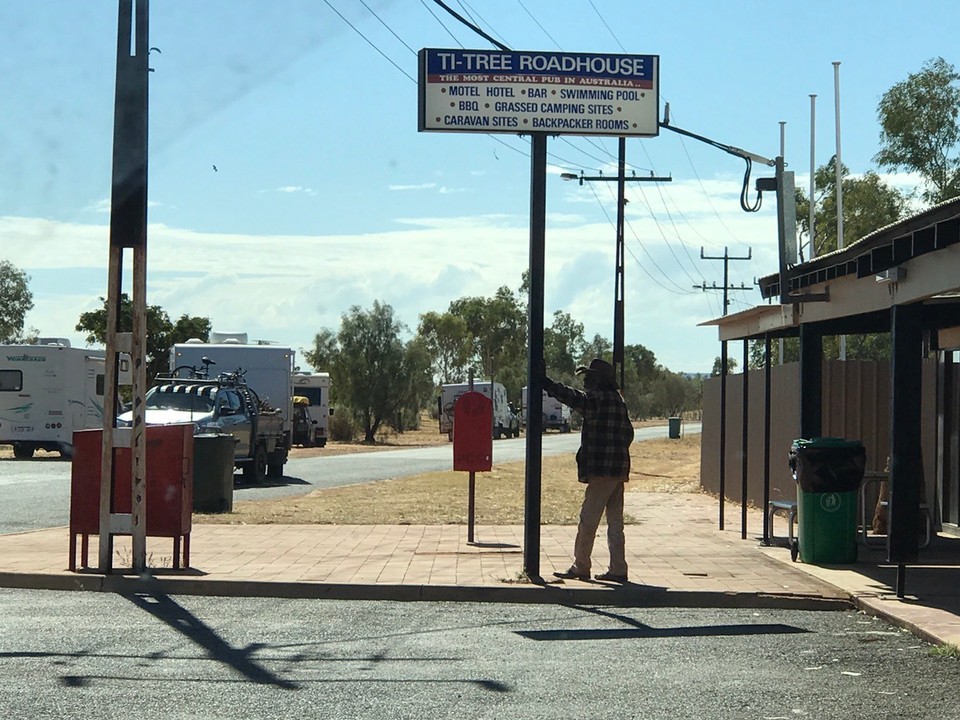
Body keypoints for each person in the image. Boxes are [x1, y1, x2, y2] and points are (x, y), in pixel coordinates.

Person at [542, 358, 634, 583]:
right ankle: (618, 568)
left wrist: (546, 383)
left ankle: (581, 565)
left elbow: (572, 397)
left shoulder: (597, 400)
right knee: (615, 522)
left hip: (602, 470)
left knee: (588, 520)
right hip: (618, 470)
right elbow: (628, 434)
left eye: (589, 377)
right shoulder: (618, 401)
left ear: (598, 380)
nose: (586, 382)